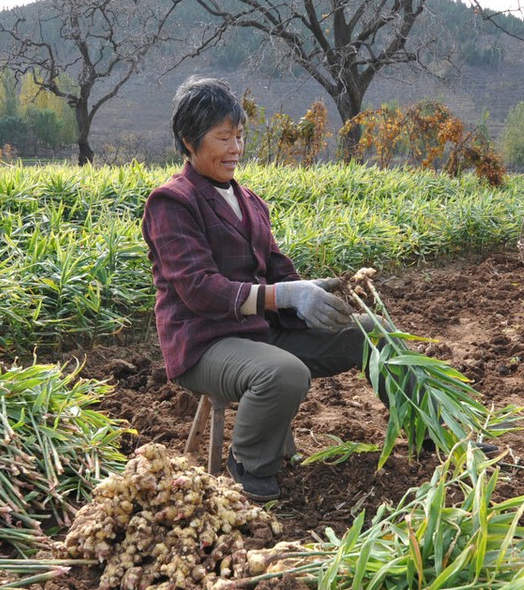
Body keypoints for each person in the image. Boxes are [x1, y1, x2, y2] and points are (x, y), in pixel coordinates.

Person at [142, 76, 376, 501]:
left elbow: (278, 270)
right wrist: (282, 296)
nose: (236, 148)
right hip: (205, 343)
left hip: (259, 331)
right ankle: (247, 463)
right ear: (189, 142)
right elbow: (200, 290)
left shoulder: (249, 201)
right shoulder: (172, 202)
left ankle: (435, 427)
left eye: (240, 136)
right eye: (223, 138)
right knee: (284, 373)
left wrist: (305, 293)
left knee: (373, 332)